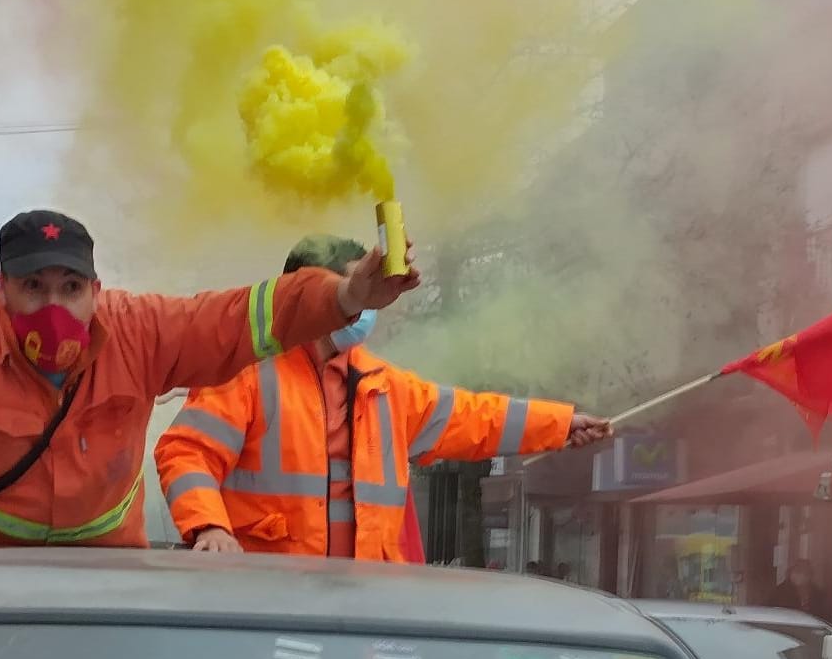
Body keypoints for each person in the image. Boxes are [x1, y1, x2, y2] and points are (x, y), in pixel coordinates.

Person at [0, 201, 417, 551]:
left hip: (103, 573)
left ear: (96, 290)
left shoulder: (140, 331)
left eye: (70, 287)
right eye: (33, 287)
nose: (54, 307)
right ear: (0, 288)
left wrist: (346, 294)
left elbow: (245, 318)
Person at [154, 234, 610, 560]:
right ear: (310, 296)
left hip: (365, 607)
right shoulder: (245, 373)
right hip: (270, 600)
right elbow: (187, 453)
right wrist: (209, 527)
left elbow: (474, 418)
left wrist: (561, 425)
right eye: (357, 288)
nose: (368, 304)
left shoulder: (384, 385)